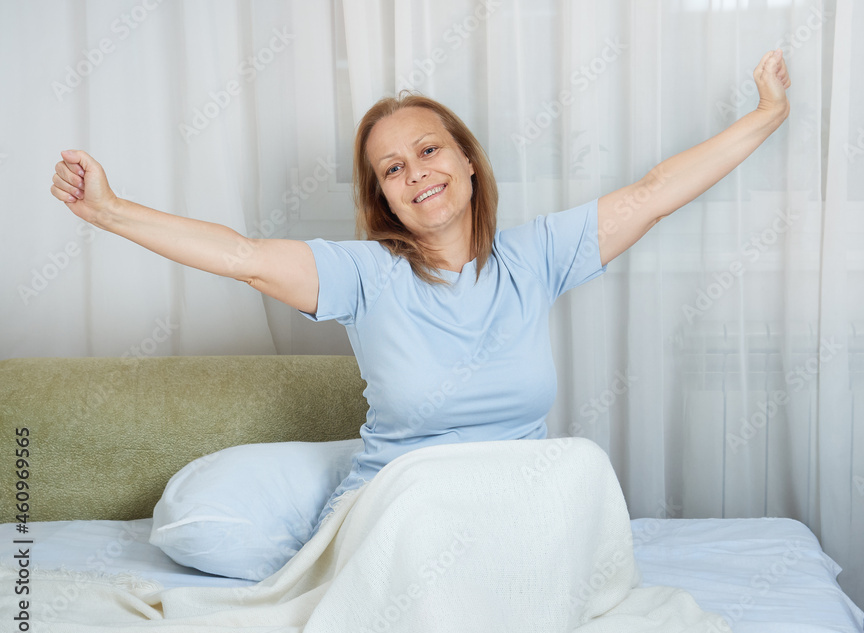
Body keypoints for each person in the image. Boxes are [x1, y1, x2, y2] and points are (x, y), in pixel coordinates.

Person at [51, 49, 790, 546]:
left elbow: (655, 194)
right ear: (384, 198)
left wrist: (766, 114)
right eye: (391, 169)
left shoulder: (533, 256)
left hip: (510, 521)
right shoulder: (364, 274)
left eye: (429, 151)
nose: (416, 174)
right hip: (398, 524)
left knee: (583, 474)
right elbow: (243, 257)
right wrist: (111, 212)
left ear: (467, 160)